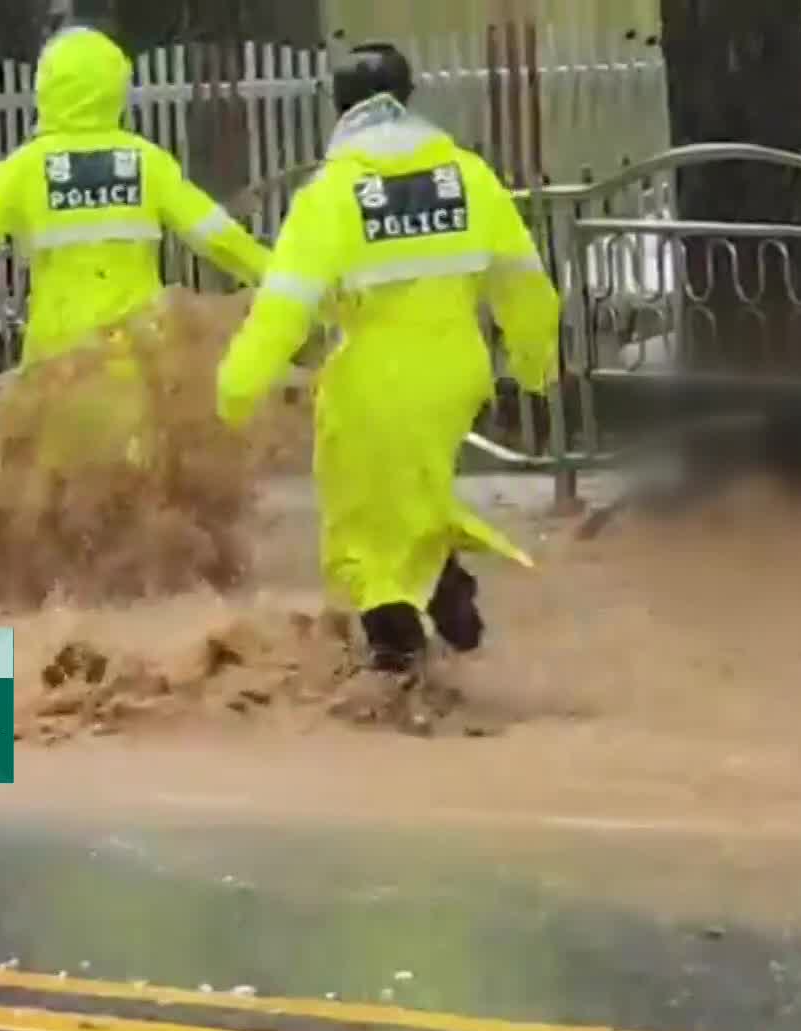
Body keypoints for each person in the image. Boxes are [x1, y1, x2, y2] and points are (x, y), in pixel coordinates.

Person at [214, 43, 562, 682]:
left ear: (338, 106)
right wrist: (534, 365)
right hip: (458, 372)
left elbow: (284, 310)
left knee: (359, 528)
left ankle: (399, 666)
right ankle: (447, 595)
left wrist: (236, 389)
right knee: (414, 491)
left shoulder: (333, 194)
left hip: (375, 380)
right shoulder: (467, 174)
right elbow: (525, 283)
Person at [0, 25, 271, 372]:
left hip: (58, 353)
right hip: (140, 348)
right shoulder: (147, 162)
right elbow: (216, 235)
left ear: (46, 87)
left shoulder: (24, 168)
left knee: (58, 457)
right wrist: (275, 276)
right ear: (115, 85)